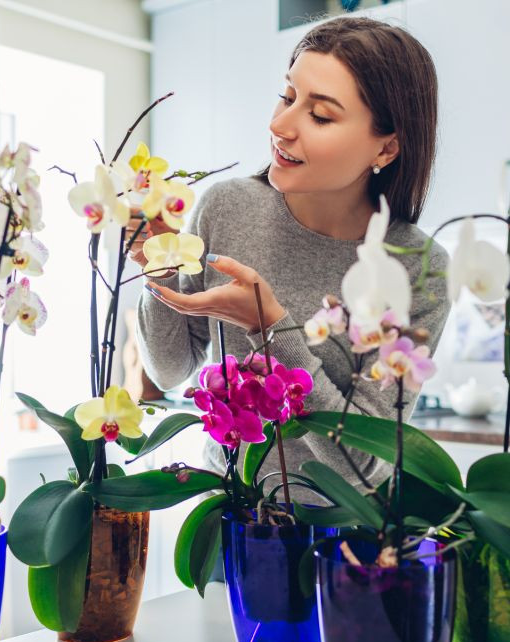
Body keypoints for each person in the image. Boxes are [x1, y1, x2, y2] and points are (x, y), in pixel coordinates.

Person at [132, 16, 450, 498]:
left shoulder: (415, 269)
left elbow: (362, 466)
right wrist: (159, 267)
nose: (279, 126)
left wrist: (270, 327)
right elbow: (169, 369)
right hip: (229, 512)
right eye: (287, 97)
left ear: (386, 147)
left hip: (340, 532)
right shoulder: (226, 207)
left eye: (319, 116)